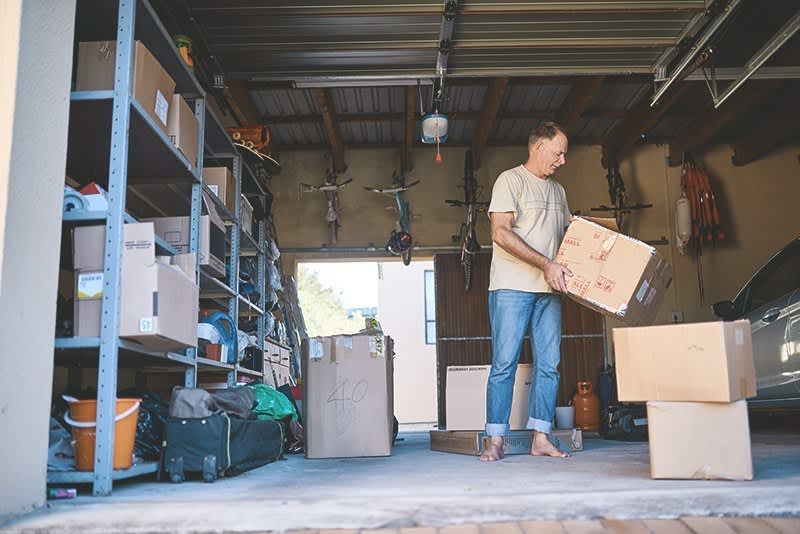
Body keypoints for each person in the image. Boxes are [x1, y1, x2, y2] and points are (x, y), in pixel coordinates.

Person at [480, 121, 572, 462]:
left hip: (549, 290)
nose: (562, 161)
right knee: (504, 364)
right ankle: (496, 440)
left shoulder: (558, 192)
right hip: (511, 287)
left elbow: (567, 237)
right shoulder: (511, 180)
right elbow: (500, 233)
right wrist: (545, 264)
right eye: (558, 153)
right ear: (539, 148)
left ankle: (541, 438)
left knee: (549, 365)